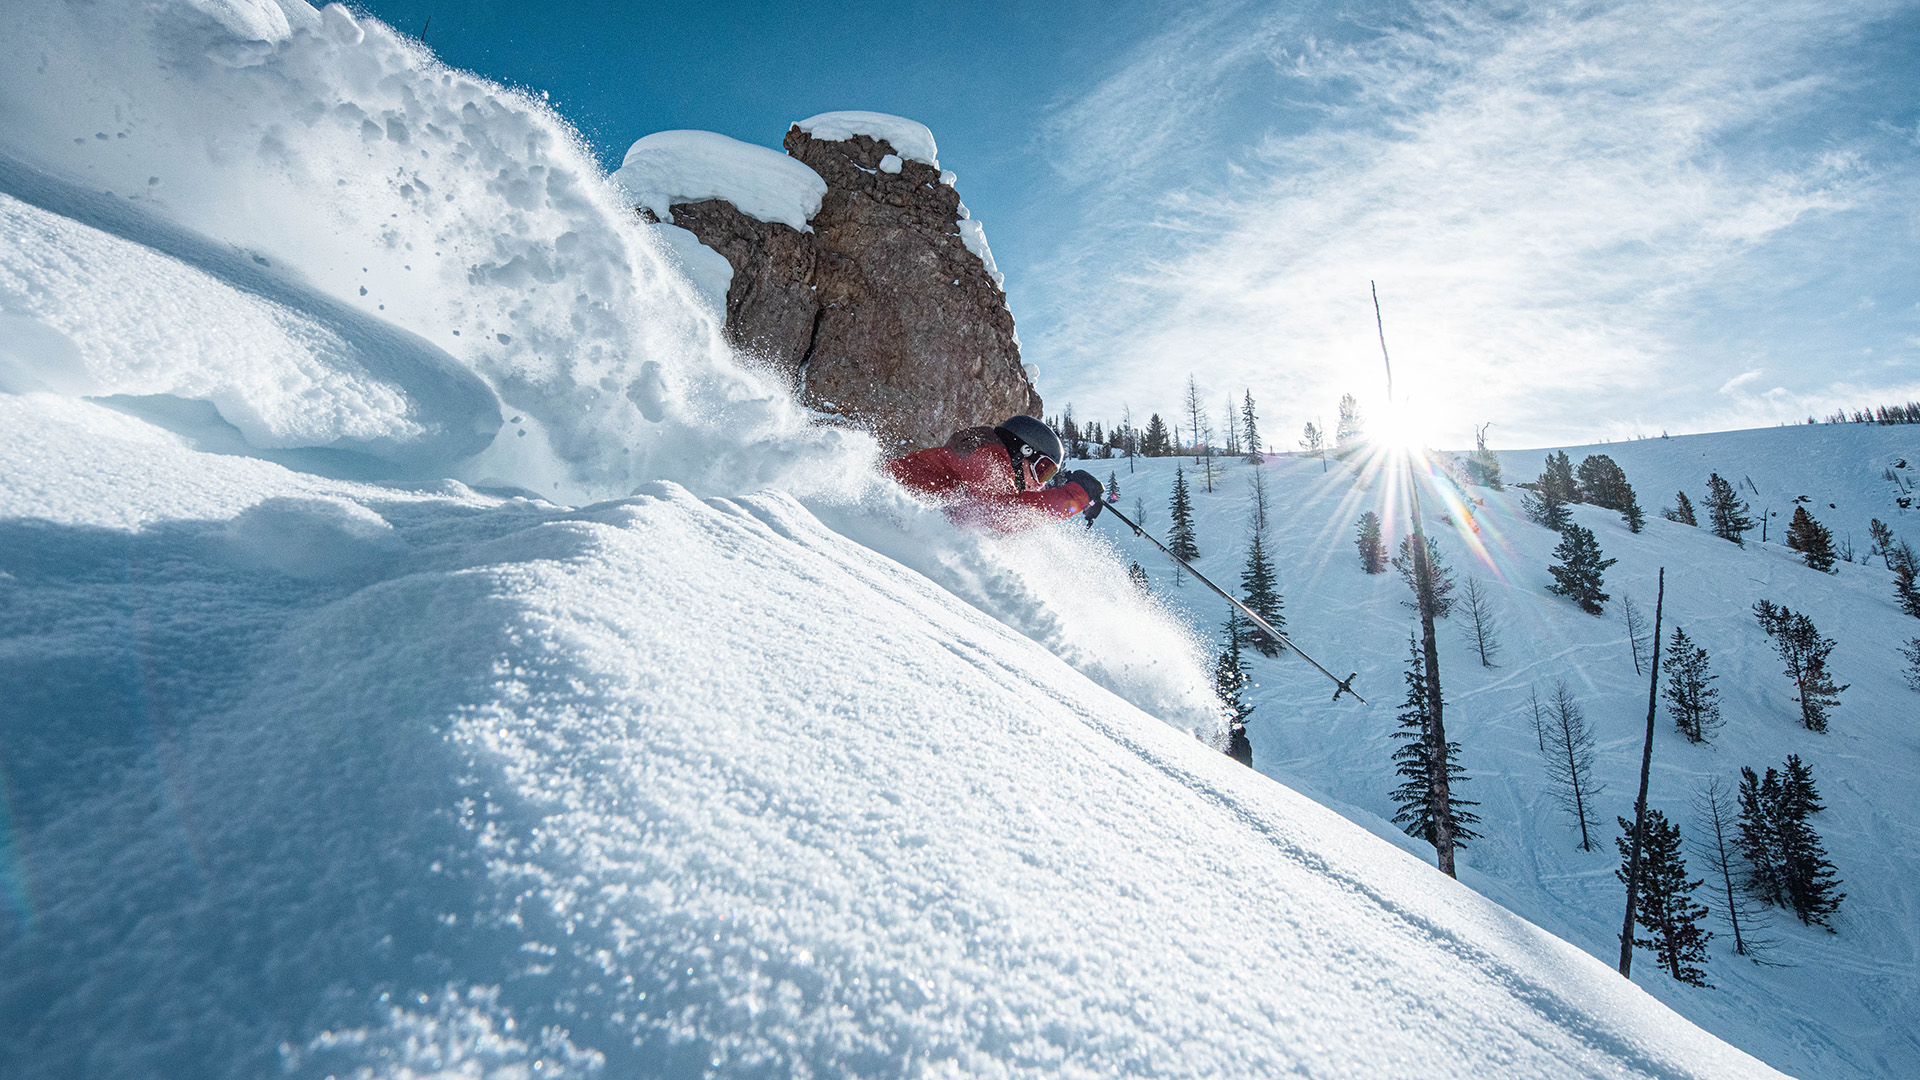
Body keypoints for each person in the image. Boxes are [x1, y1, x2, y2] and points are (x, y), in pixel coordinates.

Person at [887, 414, 1106, 529]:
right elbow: (997, 513)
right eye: (1042, 470)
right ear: (1024, 451)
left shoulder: (985, 456)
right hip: (883, 506)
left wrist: (1076, 503)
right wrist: (1076, 496)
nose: (1038, 484)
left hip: (894, 515)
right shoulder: (988, 456)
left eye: (1047, 476)